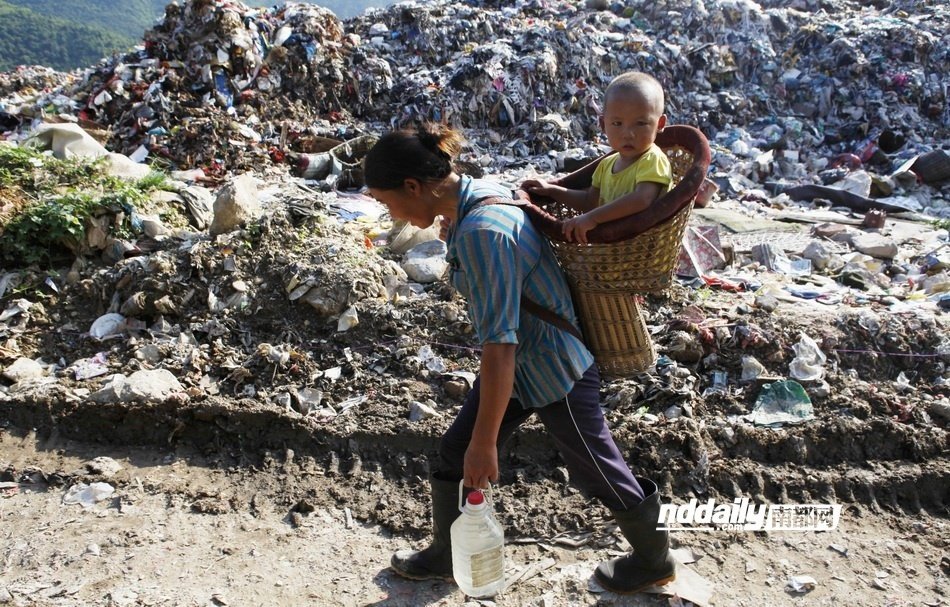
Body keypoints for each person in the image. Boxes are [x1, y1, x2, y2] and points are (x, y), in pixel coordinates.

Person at [362, 122, 676, 595]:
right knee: (454, 451)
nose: (393, 215)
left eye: (388, 202)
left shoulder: (483, 233)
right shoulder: (479, 195)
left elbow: (500, 345)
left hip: (553, 368)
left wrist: (486, 444)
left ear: (413, 186)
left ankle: (654, 558)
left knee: (596, 468)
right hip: (523, 367)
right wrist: (476, 441)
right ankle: (447, 554)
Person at [522, 71, 671, 244]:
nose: (628, 134)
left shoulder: (652, 159)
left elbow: (642, 199)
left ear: (659, 124)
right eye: (617, 124)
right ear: (603, 125)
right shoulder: (606, 165)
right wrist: (552, 190)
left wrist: (593, 218)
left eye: (641, 123)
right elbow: (588, 202)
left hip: (641, 251)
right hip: (609, 252)